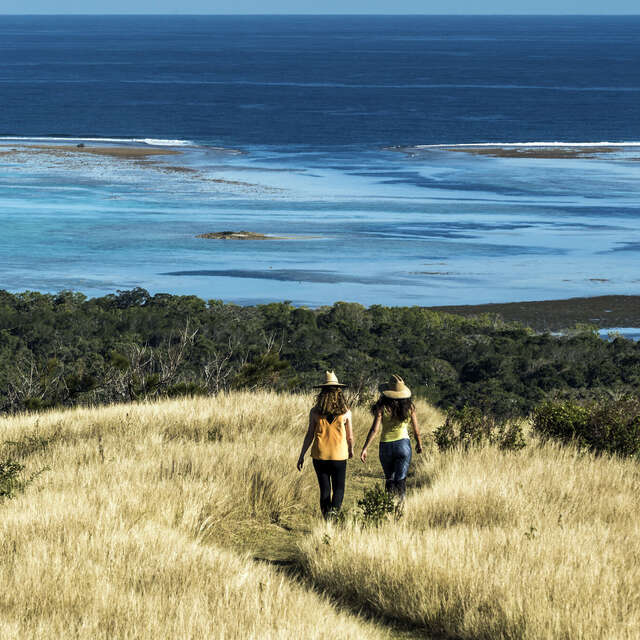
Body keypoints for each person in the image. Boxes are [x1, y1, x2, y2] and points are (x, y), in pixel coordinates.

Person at [297, 371, 354, 518]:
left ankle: (326, 518)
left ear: (322, 392)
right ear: (338, 392)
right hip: (339, 456)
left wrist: (302, 454)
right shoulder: (345, 412)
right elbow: (350, 437)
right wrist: (351, 450)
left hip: (319, 455)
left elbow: (309, 435)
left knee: (324, 490)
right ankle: (333, 519)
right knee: (339, 489)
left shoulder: (315, 412)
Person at [360, 375, 423, 501]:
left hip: (386, 446)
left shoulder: (382, 407)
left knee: (389, 478)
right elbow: (416, 430)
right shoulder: (410, 407)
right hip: (403, 445)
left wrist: (365, 448)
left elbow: (374, 430)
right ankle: (401, 508)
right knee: (401, 479)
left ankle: (387, 506)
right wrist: (419, 444)